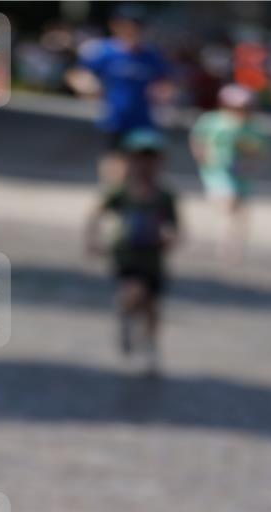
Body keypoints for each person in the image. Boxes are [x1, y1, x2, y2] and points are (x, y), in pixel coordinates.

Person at [85, 128, 179, 375]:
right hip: (126, 252)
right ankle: (125, 319)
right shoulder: (121, 191)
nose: (146, 164)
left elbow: (176, 226)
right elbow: (96, 214)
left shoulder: (165, 195)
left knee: (152, 307)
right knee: (132, 291)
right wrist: (93, 240)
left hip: (153, 256)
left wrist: (171, 240)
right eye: (140, 158)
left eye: (151, 159)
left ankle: (150, 348)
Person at [66, 3, 171, 183]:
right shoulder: (103, 51)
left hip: (144, 118)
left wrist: (165, 93)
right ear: (116, 25)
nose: (134, 29)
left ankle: (140, 196)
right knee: (116, 159)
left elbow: (166, 82)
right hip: (115, 116)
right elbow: (77, 74)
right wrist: (88, 86)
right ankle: (114, 195)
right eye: (129, 24)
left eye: (138, 25)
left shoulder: (151, 55)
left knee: (149, 162)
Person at [190, 83, 267, 262]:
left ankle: (235, 243)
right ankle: (226, 244)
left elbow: (261, 151)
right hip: (217, 173)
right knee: (228, 203)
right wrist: (202, 158)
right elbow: (198, 139)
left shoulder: (253, 128)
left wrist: (252, 164)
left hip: (242, 175)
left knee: (240, 210)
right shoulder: (212, 121)